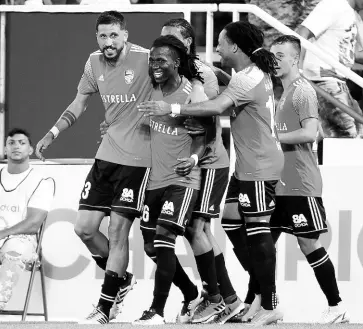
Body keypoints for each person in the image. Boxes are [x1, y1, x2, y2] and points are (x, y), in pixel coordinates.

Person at [35, 11, 206, 324]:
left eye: (114, 35)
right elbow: (79, 103)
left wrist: (195, 92)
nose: (108, 42)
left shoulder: (146, 59)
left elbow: (181, 75)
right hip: (106, 157)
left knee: (117, 233)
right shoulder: (93, 63)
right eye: (102, 36)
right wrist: (52, 133)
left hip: (139, 163)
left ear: (126, 35)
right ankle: (122, 279)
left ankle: (104, 307)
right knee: (83, 228)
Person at [138, 20, 285, 326]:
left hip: (223, 161)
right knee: (231, 223)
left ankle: (254, 302)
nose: (216, 47)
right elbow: (228, 92)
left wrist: (173, 110)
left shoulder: (220, 75)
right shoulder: (238, 74)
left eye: (221, 41)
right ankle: (244, 297)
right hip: (242, 164)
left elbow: (216, 107)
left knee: (207, 229)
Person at [269, 35, 349, 324]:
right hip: (280, 182)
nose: (274, 60)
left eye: (280, 55)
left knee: (309, 244)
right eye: (272, 55)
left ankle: (336, 306)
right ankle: (268, 305)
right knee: (263, 242)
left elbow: (310, 132)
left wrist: (272, 139)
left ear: (295, 58)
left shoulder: (302, 90)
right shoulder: (285, 92)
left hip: (300, 182)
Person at [133, 35, 206, 325]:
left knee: (164, 239)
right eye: (152, 60)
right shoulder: (150, 89)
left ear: (176, 63)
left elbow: (204, 136)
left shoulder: (191, 95)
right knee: (150, 246)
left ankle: (157, 311)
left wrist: (193, 159)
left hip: (182, 180)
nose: (154, 66)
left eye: (161, 60)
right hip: (155, 181)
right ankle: (191, 292)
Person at [0, 128, 55, 321]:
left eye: (22, 142)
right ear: (5, 149)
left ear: (30, 149)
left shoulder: (42, 180)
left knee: (15, 250)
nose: (16, 146)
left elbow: (33, 223)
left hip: (20, 241)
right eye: (11, 143)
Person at [296, 0, 363, 162]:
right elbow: (302, 33)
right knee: (344, 137)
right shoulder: (333, 5)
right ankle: (339, 184)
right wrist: (296, 71)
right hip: (323, 80)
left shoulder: (352, 14)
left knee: (356, 131)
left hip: (339, 81)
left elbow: (351, 54)